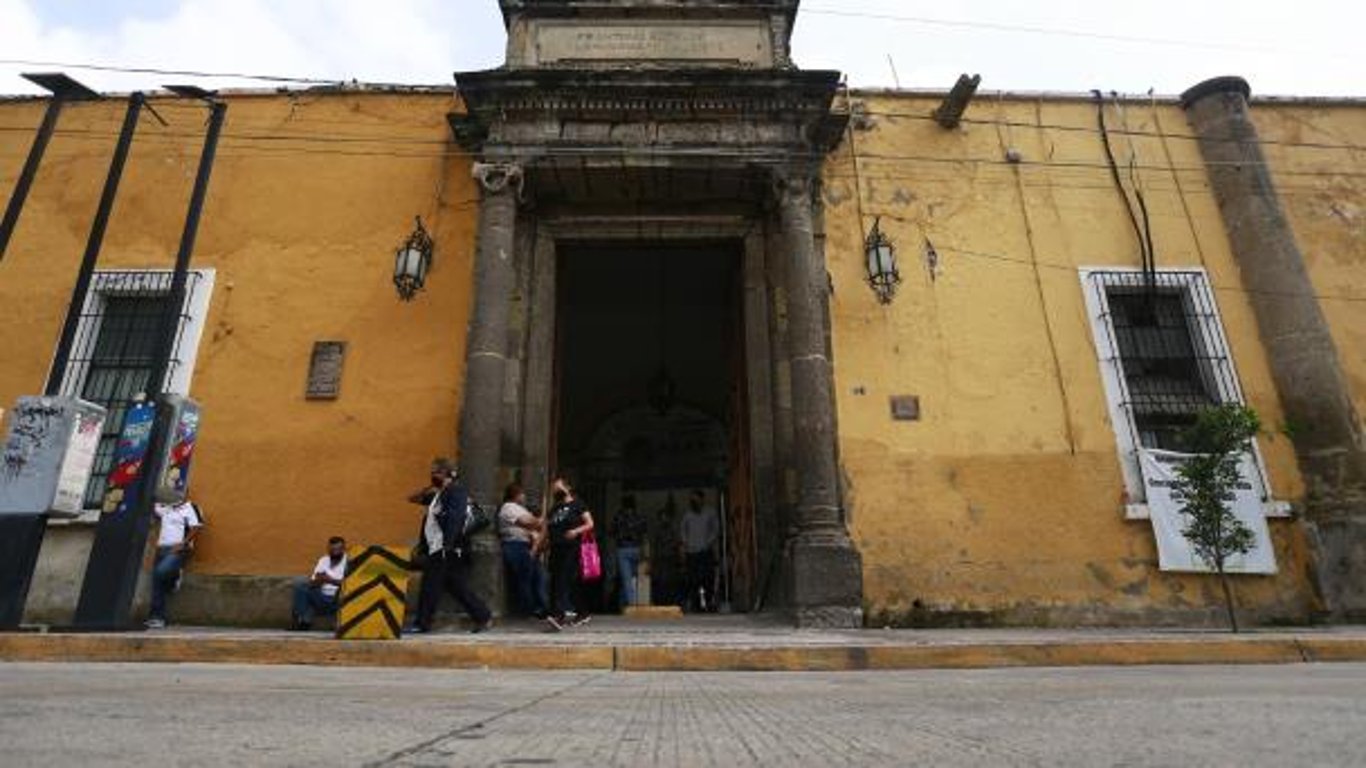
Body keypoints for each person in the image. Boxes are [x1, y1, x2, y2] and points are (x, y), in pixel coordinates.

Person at [409, 458, 493, 634]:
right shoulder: (439, 494)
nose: (433, 475)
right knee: (456, 586)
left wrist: (448, 544)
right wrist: (430, 487)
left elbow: (455, 518)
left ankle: (422, 623)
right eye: (432, 472)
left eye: (436, 472)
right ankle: (483, 616)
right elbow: (413, 498)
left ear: (448, 474)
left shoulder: (456, 491)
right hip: (438, 547)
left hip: (446, 548)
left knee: (429, 585)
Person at [545, 475, 594, 630]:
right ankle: (582, 612)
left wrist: (575, 531)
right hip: (555, 548)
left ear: (567, 487)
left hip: (571, 548)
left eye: (557, 486)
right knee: (563, 581)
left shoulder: (578, 504)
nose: (555, 489)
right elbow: (546, 530)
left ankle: (560, 615)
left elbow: (590, 523)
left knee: (563, 580)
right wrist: (537, 548)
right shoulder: (554, 508)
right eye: (554, 487)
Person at [145, 498, 204, 629]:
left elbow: (197, 526)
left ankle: (176, 575)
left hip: (178, 549)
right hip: (161, 548)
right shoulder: (165, 508)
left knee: (161, 572)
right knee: (157, 581)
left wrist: (183, 543)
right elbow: (149, 505)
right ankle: (157, 618)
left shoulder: (190, 507)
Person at [499, 482, 547, 618]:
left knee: (538, 577)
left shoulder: (521, 508)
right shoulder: (509, 507)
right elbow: (529, 523)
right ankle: (526, 610)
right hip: (515, 545)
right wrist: (539, 521)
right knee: (524, 578)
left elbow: (535, 524)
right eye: (522, 493)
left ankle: (540, 608)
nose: (524, 496)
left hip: (526, 544)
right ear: (516, 494)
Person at [290, 536, 348, 631]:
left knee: (342, 591)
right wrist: (319, 580)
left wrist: (329, 580)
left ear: (343, 549)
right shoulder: (323, 560)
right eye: (332, 549)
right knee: (301, 587)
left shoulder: (349, 562)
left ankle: (337, 624)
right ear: (328, 549)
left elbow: (349, 584)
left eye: (338, 549)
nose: (335, 552)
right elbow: (314, 581)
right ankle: (301, 622)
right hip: (321, 595)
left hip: (338, 597)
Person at [679, 489, 719, 613]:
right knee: (693, 580)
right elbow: (682, 530)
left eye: (696, 499)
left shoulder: (710, 513)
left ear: (702, 499)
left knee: (707, 578)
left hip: (705, 551)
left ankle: (707, 602)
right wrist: (686, 543)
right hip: (692, 552)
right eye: (692, 499)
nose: (694, 501)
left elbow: (716, 529)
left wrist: (708, 542)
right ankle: (696, 605)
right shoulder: (687, 515)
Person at [610, 495, 648, 610]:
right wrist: (646, 554)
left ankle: (632, 606)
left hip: (623, 549)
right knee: (632, 578)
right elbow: (645, 535)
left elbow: (611, 532)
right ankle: (624, 605)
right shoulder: (640, 517)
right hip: (637, 549)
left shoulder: (618, 517)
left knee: (626, 579)